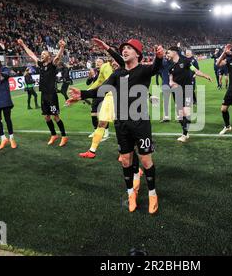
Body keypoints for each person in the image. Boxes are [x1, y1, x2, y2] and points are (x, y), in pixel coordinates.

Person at [67, 39, 164, 215]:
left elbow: (156, 68)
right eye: (123, 49)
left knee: (145, 161)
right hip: (121, 124)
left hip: (141, 123)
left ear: (138, 54)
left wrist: (158, 57)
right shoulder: (117, 74)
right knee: (126, 160)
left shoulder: (143, 70)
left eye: (129, 48)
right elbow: (101, 89)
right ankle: (130, 194)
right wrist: (81, 94)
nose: (125, 50)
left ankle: (152, 194)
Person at [18, 39, 68, 147]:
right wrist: (23, 44)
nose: (41, 55)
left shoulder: (53, 64)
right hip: (44, 94)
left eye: (44, 54)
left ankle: (64, 136)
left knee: (56, 117)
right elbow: (31, 54)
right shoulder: (40, 64)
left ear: (49, 57)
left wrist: (62, 48)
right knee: (46, 117)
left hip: (52, 94)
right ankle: (53, 135)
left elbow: (58, 57)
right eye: (41, 54)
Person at [78, 39, 115, 158]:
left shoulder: (126, 65)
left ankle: (131, 159)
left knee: (125, 127)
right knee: (102, 121)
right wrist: (84, 93)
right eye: (109, 54)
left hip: (125, 98)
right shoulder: (105, 67)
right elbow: (99, 82)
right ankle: (92, 150)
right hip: (108, 96)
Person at [167, 46, 212, 143]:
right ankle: (185, 131)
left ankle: (184, 134)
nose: (167, 54)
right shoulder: (170, 64)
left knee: (186, 112)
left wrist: (205, 76)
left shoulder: (186, 61)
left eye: (169, 52)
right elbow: (170, 76)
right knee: (180, 115)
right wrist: (171, 82)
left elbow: (195, 70)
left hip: (187, 89)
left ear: (175, 52)